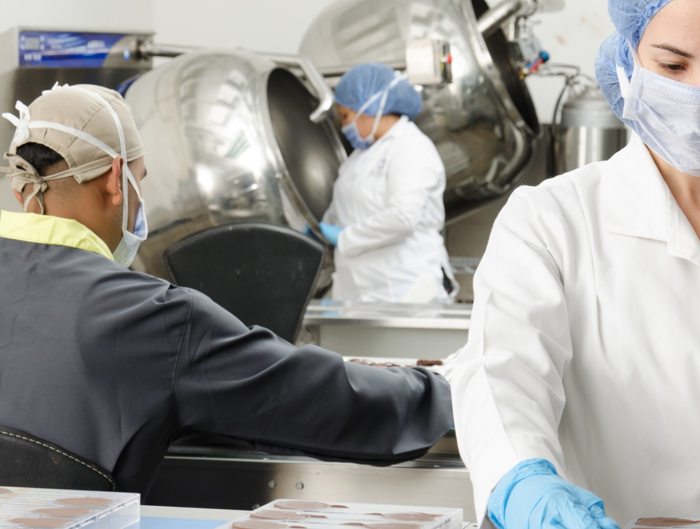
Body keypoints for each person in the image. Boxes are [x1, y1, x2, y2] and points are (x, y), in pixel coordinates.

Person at [0, 83, 453, 496]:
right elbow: (321, 400)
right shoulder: (146, 317)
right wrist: (448, 389)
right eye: (141, 178)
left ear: (23, 188)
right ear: (117, 180)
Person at [452, 0, 700, 529]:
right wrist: (522, 483)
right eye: (672, 62)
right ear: (629, 52)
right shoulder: (553, 222)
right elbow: (499, 374)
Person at [319, 63, 458, 303]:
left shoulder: (411, 147)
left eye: (345, 116)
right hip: (358, 294)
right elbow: (345, 209)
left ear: (370, 105)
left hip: (407, 290)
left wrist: (344, 238)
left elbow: (403, 217)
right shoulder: (359, 156)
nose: (344, 126)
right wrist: (320, 228)